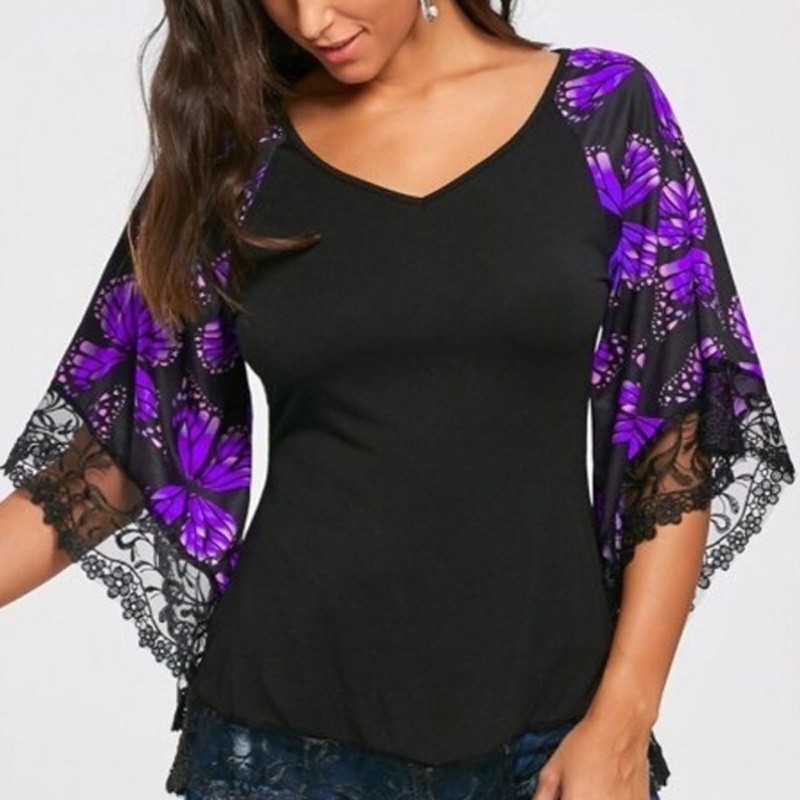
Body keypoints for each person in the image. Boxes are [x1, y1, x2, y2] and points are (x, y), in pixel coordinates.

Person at [0, 2, 795, 799]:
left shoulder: (601, 112)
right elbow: (123, 454)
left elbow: (672, 428)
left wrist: (623, 717)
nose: (311, 19)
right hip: (281, 746)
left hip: (554, 742)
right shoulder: (240, 157)